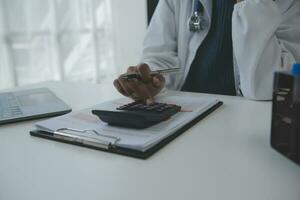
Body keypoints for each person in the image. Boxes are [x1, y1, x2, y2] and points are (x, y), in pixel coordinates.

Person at [114, 0, 300, 104]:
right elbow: (157, 56)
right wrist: (151, 80)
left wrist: (254, 4)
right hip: (186, 118)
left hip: (247, 127)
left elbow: (272, 87)